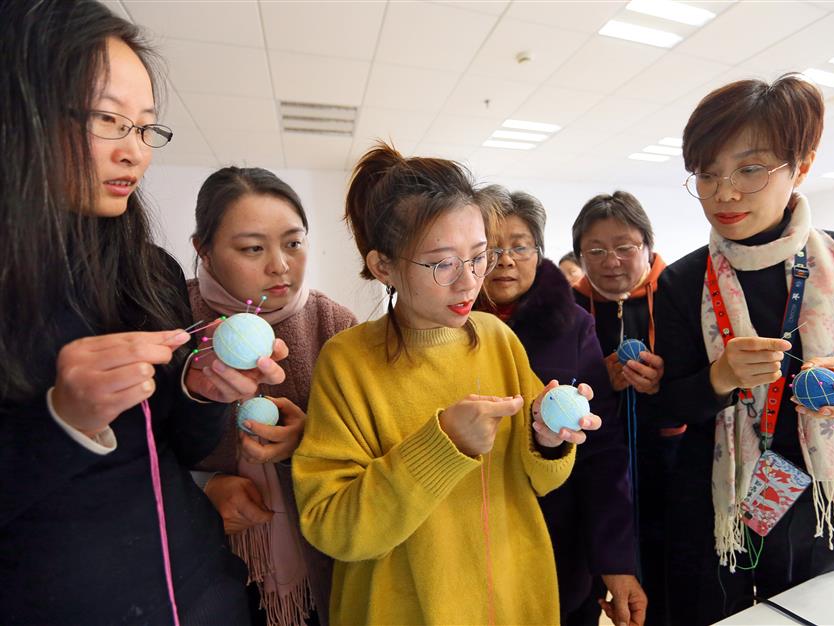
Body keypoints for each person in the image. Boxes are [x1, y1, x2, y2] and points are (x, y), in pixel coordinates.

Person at [0, 2, 287, 624]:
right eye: (109, 120)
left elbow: (179, 449)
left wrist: (201, 388)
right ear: (22, 112)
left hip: (210, 594)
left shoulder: (146, 267)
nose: (135, 153)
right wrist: (63, 422)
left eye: (145, 127)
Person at [654, 73, 834, 625]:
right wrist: (719, 378)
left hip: (822, 502)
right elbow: (667, 406)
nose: (724, 192)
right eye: (706, 174)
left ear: (800, 166)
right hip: (717, 502)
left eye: (750, 169)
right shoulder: (683, 281)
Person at [292, 143, 601, 625]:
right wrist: (443, 445)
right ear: (383, 266)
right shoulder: (349, 361)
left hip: (515, 594)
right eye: (441, 263)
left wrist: (547, 439)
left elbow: (542, 482)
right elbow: (333, 527)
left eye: (480, 256)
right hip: (407, 606)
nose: (469, 282)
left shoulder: (499, 339)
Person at [189, 167, 357, 626]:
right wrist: (203, 490)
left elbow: (369, 451)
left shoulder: (337, 326)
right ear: (203, 251)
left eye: (294, 242)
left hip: (315, 567)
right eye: (252, 248)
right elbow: (137, 447)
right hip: (199, 569)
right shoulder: (173, 320)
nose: (280, 265)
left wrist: (312, 439)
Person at [475, 185, 647, 626]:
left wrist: (615, 560)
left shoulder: (574, 326)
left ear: (540, 251)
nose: (507, 260)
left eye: (520, 246)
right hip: (471, 534)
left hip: (558, 534)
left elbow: (604, 450)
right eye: (491, 249)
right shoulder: (442, 326)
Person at [570, 191, 679, 624]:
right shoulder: (570, 309)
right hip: (597, 469)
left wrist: (662, 385)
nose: (610, 260)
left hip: (671, 463)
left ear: (647, 246)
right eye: (595, 250)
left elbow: (703, 382)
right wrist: (601, 383)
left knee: (670, 575)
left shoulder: (677, 295)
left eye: (624, 247)